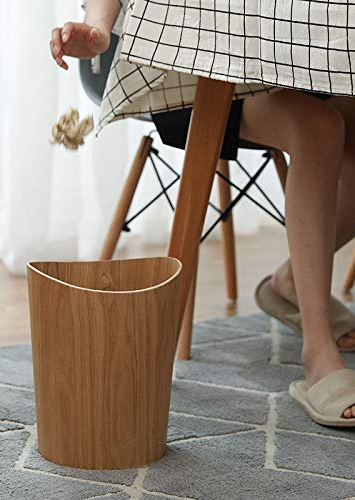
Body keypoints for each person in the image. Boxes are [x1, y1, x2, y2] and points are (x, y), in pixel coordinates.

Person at [49, 0, 355, 422]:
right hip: (173, 70)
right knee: (319, 128)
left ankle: (290, 283)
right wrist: (98, 30)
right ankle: (318, 354)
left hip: (285, 55)